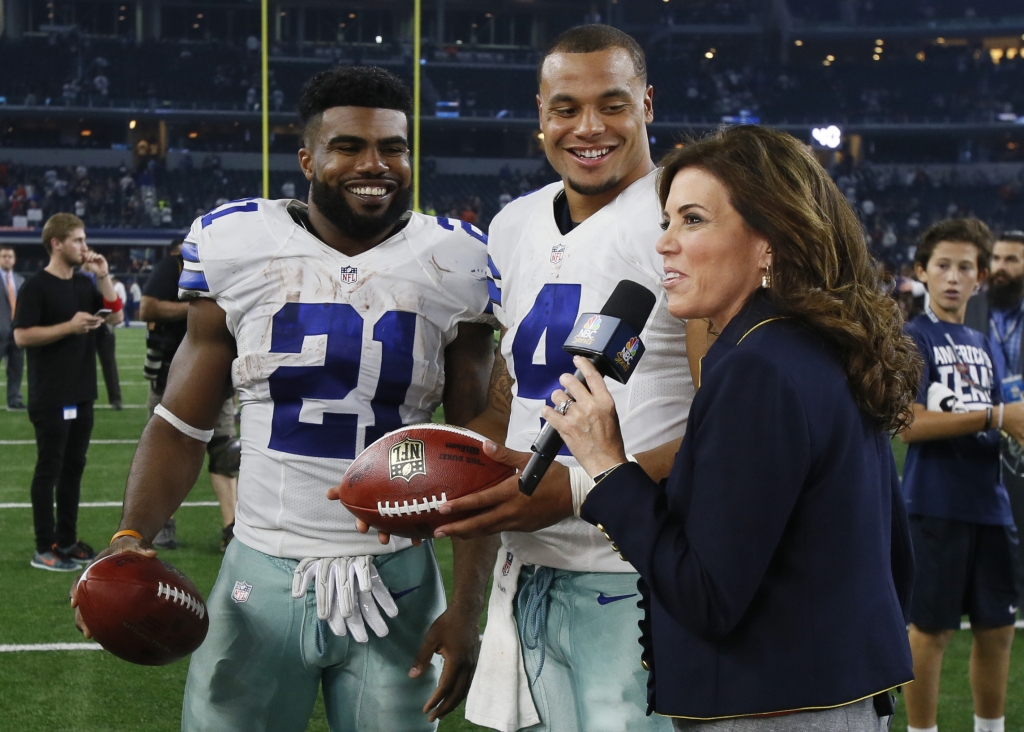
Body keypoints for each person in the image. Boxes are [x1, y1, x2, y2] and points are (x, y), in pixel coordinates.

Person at [72, 67, 497, 731]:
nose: (375, 164)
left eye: (393, 147)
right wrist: (131, 534)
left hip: (399, 578)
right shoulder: (239, 244)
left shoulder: (458, 259)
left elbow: (477, 454)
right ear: (308, 158)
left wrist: (469, 607)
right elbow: (182, 423)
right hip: (262, 574)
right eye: (349, 146)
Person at [541, 125, 920, 729]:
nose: (664, 243)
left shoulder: (757, 369)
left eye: (692, 220)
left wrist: (607, 465)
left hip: (773, 706)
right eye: (666, 220)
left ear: (769, 241)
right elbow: (895, 559)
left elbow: (706, 595)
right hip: (833, 694)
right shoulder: (813, 347)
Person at [418, 25, 694, 732]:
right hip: (528, 576)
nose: (589, 127)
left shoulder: (689, 218)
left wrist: (578, 490)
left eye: (613, 103)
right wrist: (431, 482)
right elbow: (510, 408)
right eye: (566, 107)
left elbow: (737, 431)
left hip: (636, 575)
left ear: (648, 104)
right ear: (540, 109)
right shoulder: (512, 225)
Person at [900, 219, 1022, 732]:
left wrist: (1009, 425)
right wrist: (997, 417)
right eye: (943, 266)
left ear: (980, 278)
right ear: (922, 272)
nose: (953, 277)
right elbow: (908, 423)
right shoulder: (912, 336)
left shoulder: (982, 340)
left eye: (965, 267)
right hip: (934, 504)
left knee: (999, 629)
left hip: (990, 503)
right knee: (930, 632)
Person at [14, 213, 124, 572]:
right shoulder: (36, 286)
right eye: (77, 240)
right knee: (50, 468)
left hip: (82, 391)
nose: (84, 246)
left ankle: (68, 540)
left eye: (84, 238)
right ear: (56, 244)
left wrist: (103, 274)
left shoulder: (83, 283)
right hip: (50, 394)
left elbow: (116, 316)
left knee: (74, 468)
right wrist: (69, 327)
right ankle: (44, 547)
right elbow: (22, 336)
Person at [140, 238, 239, 552]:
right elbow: (148, 307)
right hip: (172, 376)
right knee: (166, 449)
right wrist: (199, 311)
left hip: (218, 378)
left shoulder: (227, 273)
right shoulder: (172, 267)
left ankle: (231, 529)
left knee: (225, 453)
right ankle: (161, 523)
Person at [964, 229, 1024, 603]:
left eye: (1012, 260)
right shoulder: (971, 309)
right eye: (997, 259)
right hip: (981, 428)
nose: (1000, 268)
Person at [0, 245, 25, 410]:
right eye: (4, 256)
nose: (7, 259)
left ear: (14, 260)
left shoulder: (20, 280)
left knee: (16, 369)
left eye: (10, 256)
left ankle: (14, 399)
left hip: (17, 332)